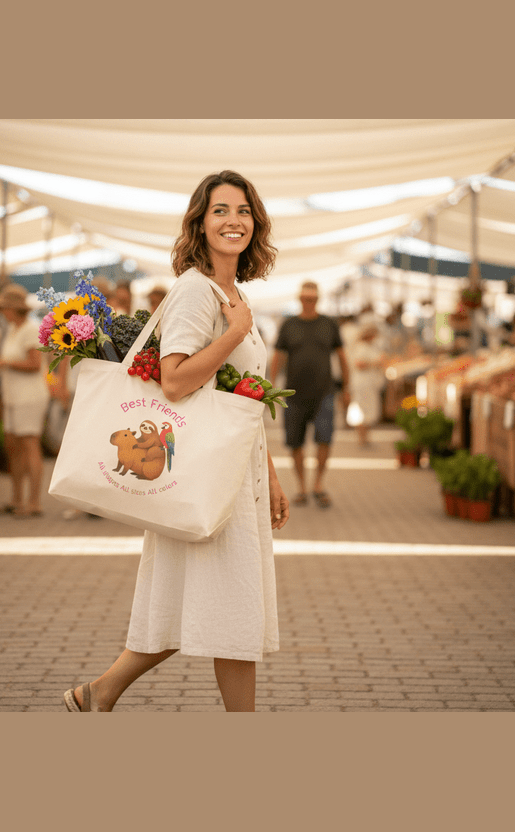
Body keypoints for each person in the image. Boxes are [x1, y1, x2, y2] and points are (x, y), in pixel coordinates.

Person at [63, 170, 289, 713]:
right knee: (230, 606)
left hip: (233, 471)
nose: (233, 220)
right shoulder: (195, 290)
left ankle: (101, 692)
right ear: (200, 222)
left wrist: (272, 474)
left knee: (214, 604)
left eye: (243, 210)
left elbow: (243, 397)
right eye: (220, 211)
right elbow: (176, 378)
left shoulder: (230, 291)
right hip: (204, 471)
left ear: (255, 223)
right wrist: (235, 334)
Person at [269, 282, 350, 508]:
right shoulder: (289, 325)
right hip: (294, 395)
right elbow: (278, 357)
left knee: (325, 439)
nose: (309, 303)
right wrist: (272, 387)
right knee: (295, 442)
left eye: (312, 299)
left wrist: (346, 388)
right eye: (305, 299)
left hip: (324, 392)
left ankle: (318, 485)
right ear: (299, 299)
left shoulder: (329, 324)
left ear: (318, 300)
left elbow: (342, 357)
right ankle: (302, 487)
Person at [0, 283, 50, 518]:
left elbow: (35, 365)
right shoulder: (13, 329)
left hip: (30, 397)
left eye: (4, 307)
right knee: (12, 447)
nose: (2, 311)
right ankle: (16, 499)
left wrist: (4, 364)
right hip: (13, 397)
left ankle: (34, 502)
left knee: (30, 445)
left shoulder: (30, 329)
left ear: (13, 308)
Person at [348, 323, 386, 447]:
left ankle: (365, 437)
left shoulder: (371, 347)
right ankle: (362, 437)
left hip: (370, 383)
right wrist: (375, 363)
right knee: (362, 410)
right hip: (363, 384)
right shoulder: (361, 347)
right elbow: (359, 364)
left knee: (369, 410)